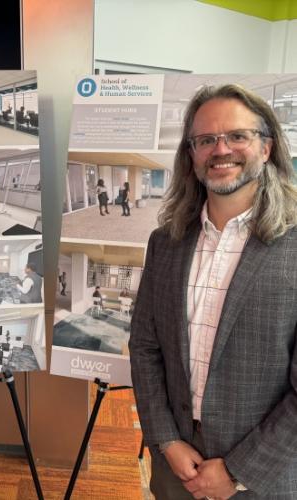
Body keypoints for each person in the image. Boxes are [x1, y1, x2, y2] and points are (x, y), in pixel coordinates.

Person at [130, 84, 297, 499]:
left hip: (265, 476)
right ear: (192, 155)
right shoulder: (166, 242)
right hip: (177, 467)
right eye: (205, 140)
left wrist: (237, 471)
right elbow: (145, 347)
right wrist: (166, 439)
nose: (220, 150)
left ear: (266, 148)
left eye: (237, 136)